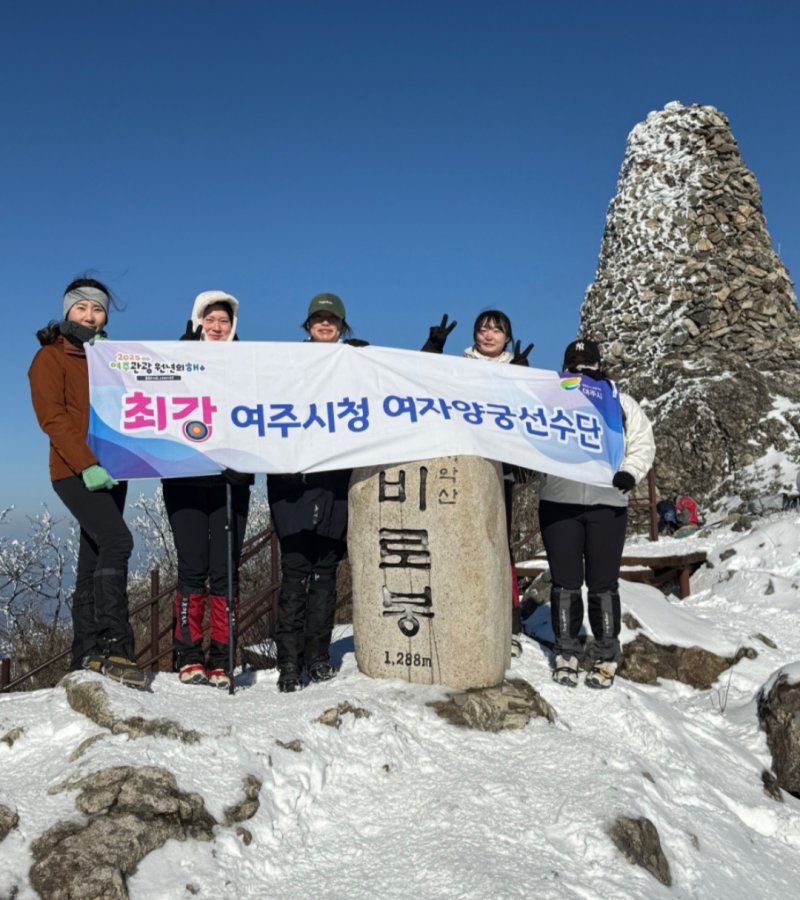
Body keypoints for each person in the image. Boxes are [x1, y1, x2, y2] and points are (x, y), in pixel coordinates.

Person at [28, 277, 147, 689]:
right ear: (68, 311)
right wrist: (87, 464)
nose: (90, 316)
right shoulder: (50, 357)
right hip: (74, 471)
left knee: (93, 556)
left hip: (115, 471)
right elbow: (53, 419)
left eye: (97, 309)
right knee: (118, 540)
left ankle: (85, 653)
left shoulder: (110, 360)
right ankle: (116, 647)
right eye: (82, 307)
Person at [539, 339, 655, 689]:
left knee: (603, 583)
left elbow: (642, 442)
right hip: (559, 501)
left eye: (587, 363)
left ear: (599, 366)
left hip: (608, 503)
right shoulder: (549, 399)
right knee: (565, 582)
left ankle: (606, 653)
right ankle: (566, 651)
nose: (581, 369)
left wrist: (630, 474)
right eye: (573, 363)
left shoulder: (620, 402)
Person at [267, 293, 365, 693]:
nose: (325, 324)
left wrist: (368, 361)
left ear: (342, 326)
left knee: (325, 574)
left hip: (335, 483)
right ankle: (289, 662)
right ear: (308, 325)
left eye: (332, 320)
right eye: (319, 319)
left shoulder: (355, 363)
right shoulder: (286, 364)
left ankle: (319, 656)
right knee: (294, 575)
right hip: (292, 483)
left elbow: (397, 388)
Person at [426, 309, 533, 657]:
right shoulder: (459, 368)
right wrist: (433, 347)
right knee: (458, 542)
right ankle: (462, 618)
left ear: (507, 337)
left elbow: (532, 411)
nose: (489, 335)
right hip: (462, 467)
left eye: (497, 330)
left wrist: (524, 377)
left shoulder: (517, 368)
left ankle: (509, 624)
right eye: (483, 329)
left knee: (499, 544)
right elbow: (422, 380)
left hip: (500, 470)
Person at [162, 291, 254, 689]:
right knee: (192, 569)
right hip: (183, 479)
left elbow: (261, 416)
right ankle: (187, 656)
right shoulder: (173, 360)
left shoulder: (250, 364)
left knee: (225, 572)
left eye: (224, 321)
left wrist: (245, 463)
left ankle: (221, 656)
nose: (217, 327)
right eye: (210, 319)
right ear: (198, 321)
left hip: (231, 482)